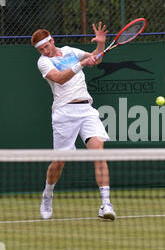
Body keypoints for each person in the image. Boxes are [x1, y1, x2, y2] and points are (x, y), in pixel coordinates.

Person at [31, 22, 116, 221]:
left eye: (46, 46)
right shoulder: (43, 62)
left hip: (86, 109)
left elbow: (95, 57)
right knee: (59, 161)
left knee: (99, 152)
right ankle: (48, 194)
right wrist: (82, 64)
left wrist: (101, 45)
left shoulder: (70, 51)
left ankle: (106, 204)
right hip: (64, 112)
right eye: (40, 49)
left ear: (52, 40)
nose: (45, 51)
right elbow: (59, 78)